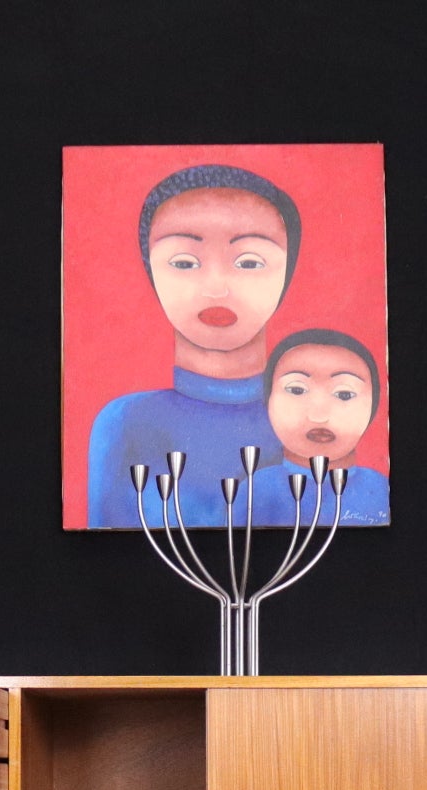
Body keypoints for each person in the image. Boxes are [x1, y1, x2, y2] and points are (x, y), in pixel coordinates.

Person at [86, 164, 301, 529]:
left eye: (249, 262)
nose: (216, 288)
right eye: (184, 262)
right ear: (152, 272)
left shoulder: (310, 419)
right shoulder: (125, 424)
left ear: (287, 273)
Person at [250, 329, 390, 526]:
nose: (319, 416)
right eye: (296, 390)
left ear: (374, 405)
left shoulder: (381, 491)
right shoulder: (253, 491)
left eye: (344, 394)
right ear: (268, 400)